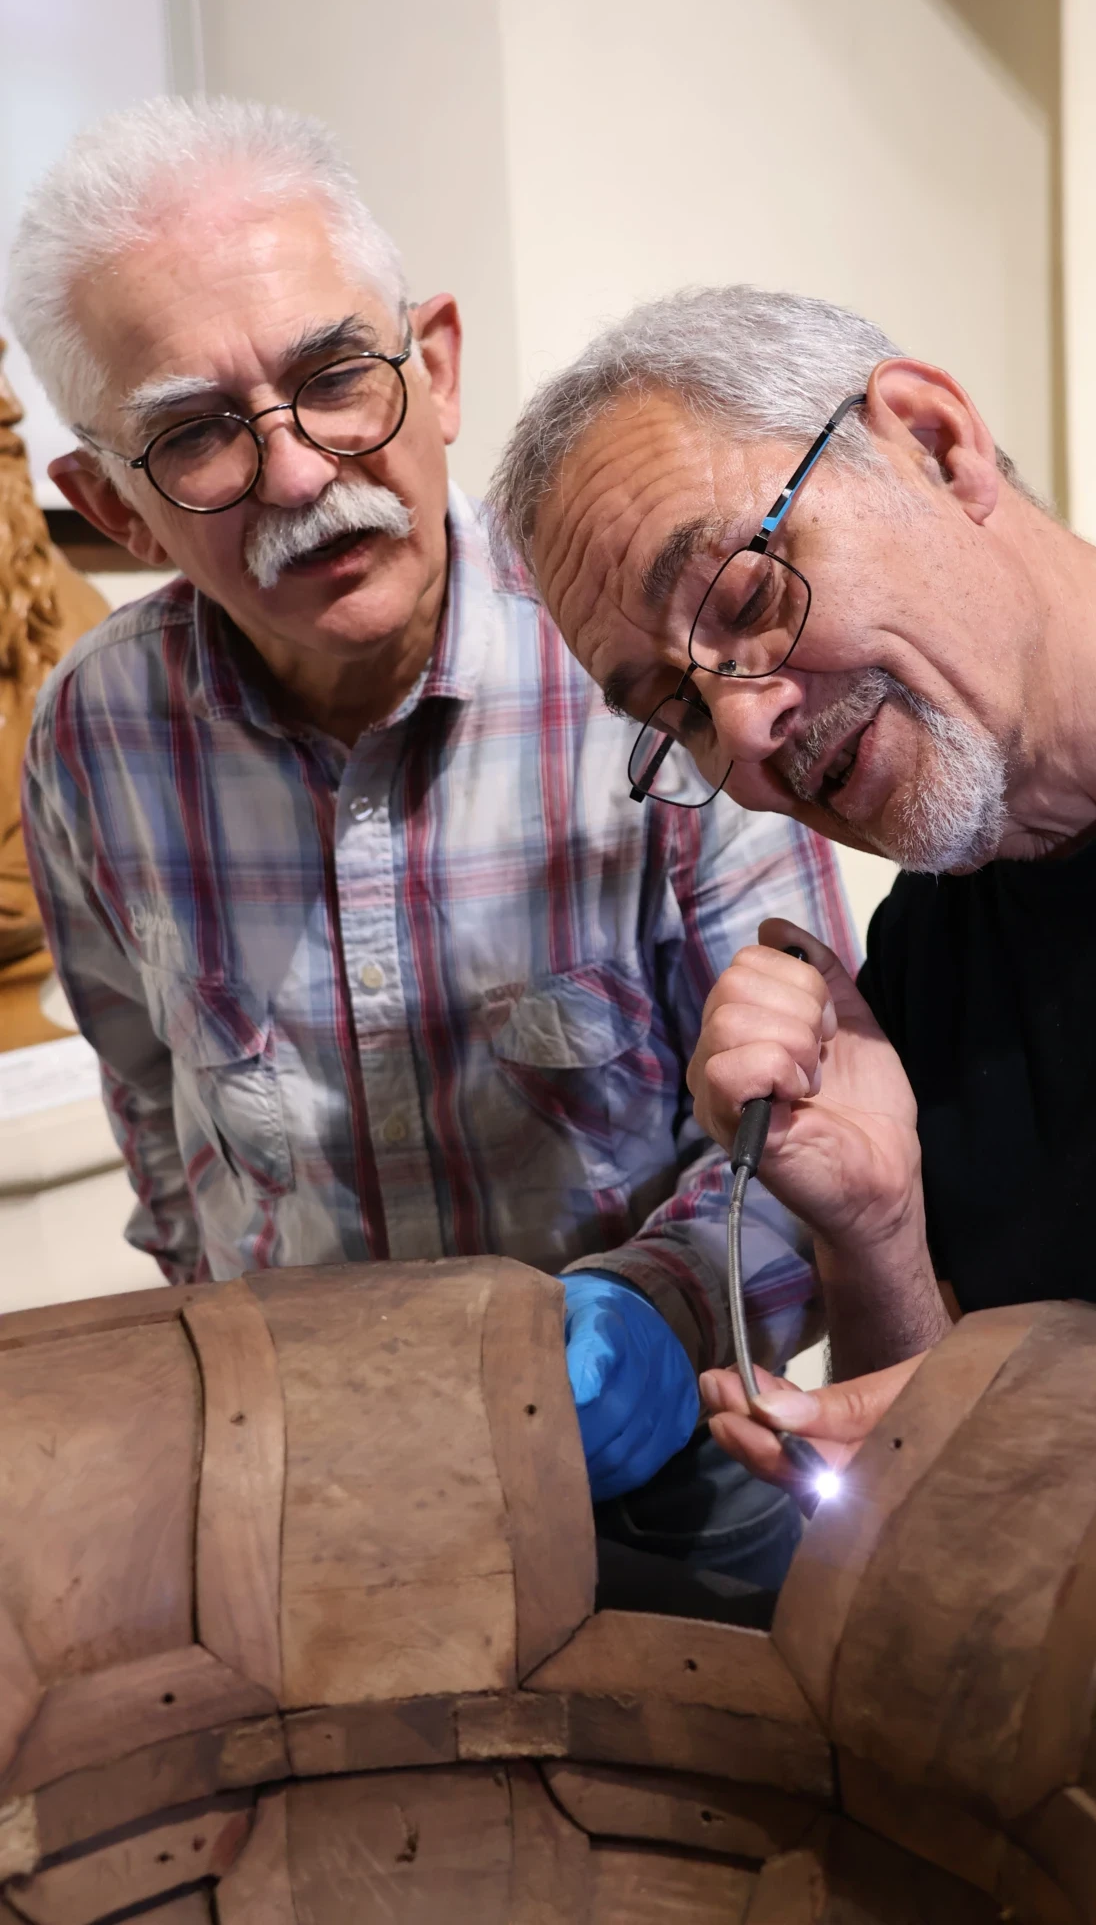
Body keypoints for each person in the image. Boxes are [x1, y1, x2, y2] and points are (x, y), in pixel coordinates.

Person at [5, 108, 856, 1587]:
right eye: (195, 432)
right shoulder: (94, 740)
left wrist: (660, 1317)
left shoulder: (647, 666)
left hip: (674, 1483)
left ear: (439, 368)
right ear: (110, 506)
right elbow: (156, 1113)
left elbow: (814, 1132)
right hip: (316, 1488)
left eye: (338, 376)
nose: (296, 474)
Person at [489, 280, 1096, 1444]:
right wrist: (873, 1226)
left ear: (936, 442)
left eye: (746, 594)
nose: (741, 732)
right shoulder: (924, 956)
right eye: (678, 710)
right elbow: (939, 1489)